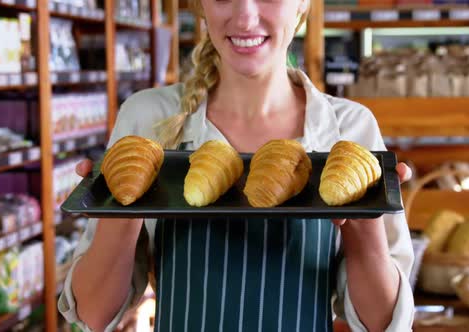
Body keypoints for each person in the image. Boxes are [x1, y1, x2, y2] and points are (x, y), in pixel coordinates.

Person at [58, 0, 415, 331]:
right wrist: (118, 204)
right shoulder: (150, 119)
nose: (245, 17)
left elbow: (381, 322)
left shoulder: (349, 132)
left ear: (303, 5)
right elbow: (94, 313)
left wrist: (366, 225)